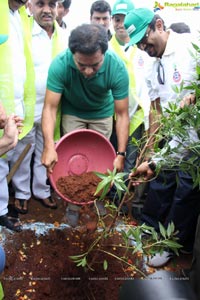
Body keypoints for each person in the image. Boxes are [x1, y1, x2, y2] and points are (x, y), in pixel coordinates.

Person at [124, 8, 200, 267]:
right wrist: (150, 149)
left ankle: (171, 244)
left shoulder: (190, 47)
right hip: (171, 133)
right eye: (138, 45)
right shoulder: (150, 62)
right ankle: (148, 230)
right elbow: (155, 109)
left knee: (186, 192)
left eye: (145, 40)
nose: (143, 47)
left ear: (158, 25)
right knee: (159, 182)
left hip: (194, 136)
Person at [41, 23, 129, 226]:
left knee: (100, 160)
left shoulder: (116, 67)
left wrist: (121, 154)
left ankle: (96, 199)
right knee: (72, 158)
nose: (88, 71)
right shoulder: (60, 64)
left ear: (104, 55)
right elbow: (50, 108)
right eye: (82, 65)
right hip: (73, 112)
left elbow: (122, 114)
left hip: (102, 113)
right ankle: (72, 206)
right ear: (73, 55)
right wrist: (48, 146)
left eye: (95, 65)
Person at [12, 0, 67, 215]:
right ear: (30, 6)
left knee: (47, 148)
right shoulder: (23, 32)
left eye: (52, 4)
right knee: (23, 151)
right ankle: (22, 194)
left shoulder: (63, 36)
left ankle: (42, 190)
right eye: (40, 4)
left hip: (53, 107)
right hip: (28, 106)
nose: (47, 10)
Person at [108, 0, 150, 215]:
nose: (121, 24)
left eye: (125, 19)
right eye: (117, 19)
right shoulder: (107, 50)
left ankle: (120, 206)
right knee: (110, 159)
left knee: (130, 162)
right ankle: (108, 201)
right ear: (112, 21)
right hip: (111, 119)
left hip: (135, 119)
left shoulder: (141, 50)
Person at [0, 0, 33, 232]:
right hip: (3, 102)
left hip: (16, 101)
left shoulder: (20, 14)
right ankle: (1, 212)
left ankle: (2, 208)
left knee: (7, 159)